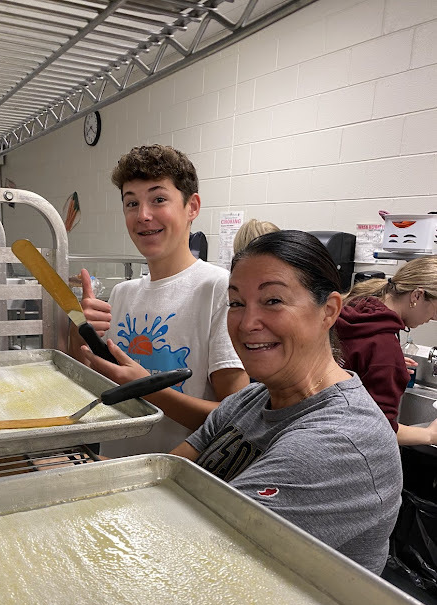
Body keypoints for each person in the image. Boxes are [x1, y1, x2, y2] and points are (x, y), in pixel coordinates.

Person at [171, 230, 402, 575]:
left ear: (329, 311)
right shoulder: (252, 399)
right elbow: (162, 478)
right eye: (236, 303)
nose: (247, 323)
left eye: (273, 300)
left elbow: (198, 551)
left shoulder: (342, 442)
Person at [71, 144, 249, 456]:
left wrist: (148, 389)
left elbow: (235, 420)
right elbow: (98, 384)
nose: (143, 215)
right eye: (131, 203)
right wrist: (80, 330)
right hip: (115, 468)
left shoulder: (218, 289)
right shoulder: (123, 293)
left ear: (192, 206)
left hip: (178, 485)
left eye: (158, 199)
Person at [336, 257, 437, 446]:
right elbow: (378, 432)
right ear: (417, 296)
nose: (433, 318)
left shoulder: (358, 306)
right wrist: (430, 435)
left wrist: (381, 365)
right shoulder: (383, 347)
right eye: (435, 311)